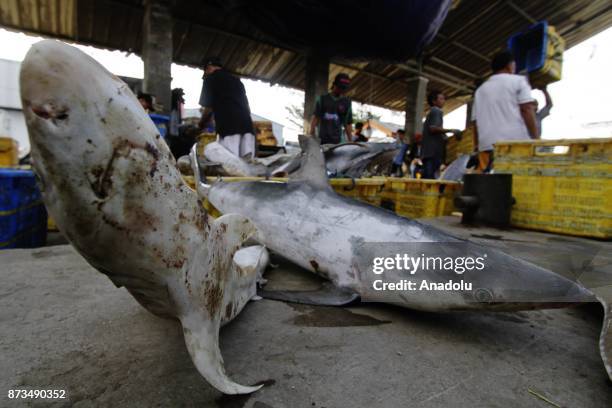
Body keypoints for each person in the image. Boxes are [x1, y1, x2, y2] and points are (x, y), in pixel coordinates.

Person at [471, 50, 538, 173]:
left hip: (486, 146)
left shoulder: (480, 90)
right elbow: (527, 109)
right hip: (514, 143)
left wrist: (477, 147)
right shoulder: (518, 81)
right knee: (515, 183)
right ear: (509, 65)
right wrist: (535, 137)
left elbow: (475, 123)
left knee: (490, 182)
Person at [198, 57, 255, 159]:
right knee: (248, 165)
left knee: (230, 166)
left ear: (209, 68)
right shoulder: (237, 81)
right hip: (247, 127)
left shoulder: (210, 78)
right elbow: (247, 107)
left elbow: (208, 108)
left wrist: (201, 124)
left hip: (229, 128)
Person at [421, 90, 457, 179]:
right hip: (433, 152)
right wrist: (451, 130)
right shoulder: (436, 111)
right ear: (434, 101)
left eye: (444, 99)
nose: (443, 101)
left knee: (428, 178)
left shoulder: (431, 112)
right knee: (430, 179)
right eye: (441, 99)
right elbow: (433, 129)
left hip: (428, 152)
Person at [310, 73, 353, 144]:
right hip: (322, 141)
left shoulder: (347, 103)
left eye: (344, 88)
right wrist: (312, 134)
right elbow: (315, 118)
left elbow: (348, 123)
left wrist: (350, 141)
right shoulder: (322, 99)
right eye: (340, 87)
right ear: (334, 84)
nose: (341, 90)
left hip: (338, 142)